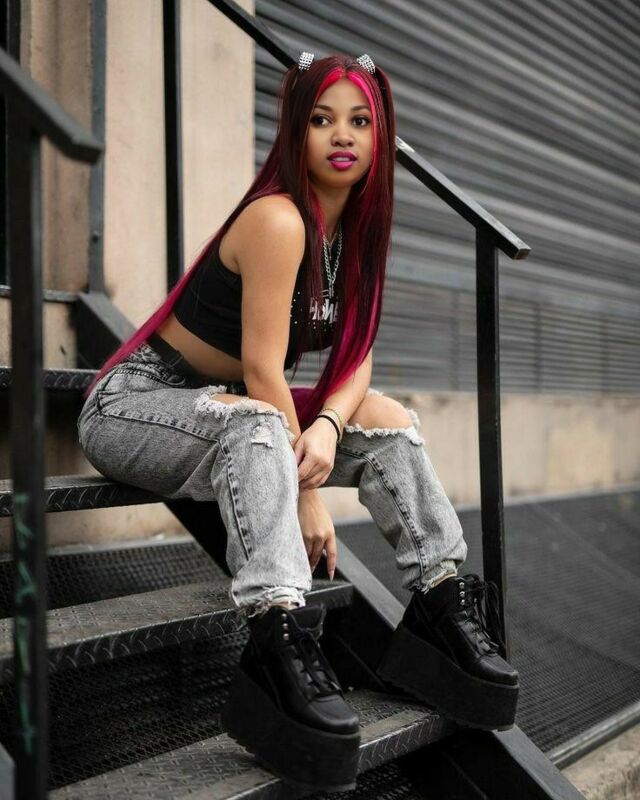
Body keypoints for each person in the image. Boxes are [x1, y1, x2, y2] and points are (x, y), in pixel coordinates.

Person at [77, 51, 518, 792]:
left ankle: (441, 605)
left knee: (389, 421)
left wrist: (331, 429)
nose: (342, 135)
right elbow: (263, 372)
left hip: (230, 409)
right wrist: (306, 493)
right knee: (258, 423)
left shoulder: (356, 233)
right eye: (321, 119)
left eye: (360, 120)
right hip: (136, 405)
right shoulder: (279, 220)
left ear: (380, 136)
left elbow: (357, 360)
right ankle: (278, 636)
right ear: (295, 132)